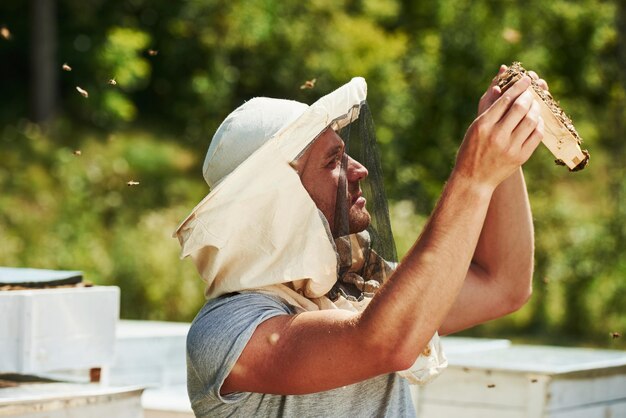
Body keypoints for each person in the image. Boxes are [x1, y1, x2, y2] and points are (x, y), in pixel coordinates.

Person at [174, 65, 547, 417]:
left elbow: (502, 283)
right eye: (332, 161)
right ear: (278, 196)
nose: (358, 169)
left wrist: (504, 152)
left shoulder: (355, 288)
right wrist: (472, 178)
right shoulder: (226, 330)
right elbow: (383, 342)